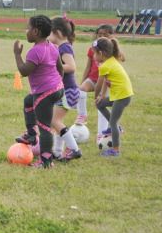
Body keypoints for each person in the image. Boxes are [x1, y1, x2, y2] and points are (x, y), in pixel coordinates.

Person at [14, 15, 64, 168]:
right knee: (28, 101)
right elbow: (60, 69)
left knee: (45, 127)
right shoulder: (52, 47)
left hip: (45, 94)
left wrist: (17, 54)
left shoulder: (35, 51)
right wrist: (57, 84)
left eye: (28, 28)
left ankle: (46, 161)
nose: (26, 31)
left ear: (35, 31)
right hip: (57, 88)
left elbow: (24, 71)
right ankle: (30, 134)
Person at [76, 24, 121, 139]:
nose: (101, 37)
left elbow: (122, 58)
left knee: (101, 107)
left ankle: (101, 134)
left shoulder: (111, 51)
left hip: (105, 84)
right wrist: (82, 81)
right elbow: (88, 67)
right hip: (92, 80)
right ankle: (82, 115)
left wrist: (114, 48)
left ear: (111, 36)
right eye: (99, 34)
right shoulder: (93, 49)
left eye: (105, 35)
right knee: (80, 91)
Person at [48, 17, 82, 161]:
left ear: (58, 33)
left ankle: (74, 149)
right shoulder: (61, 47)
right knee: (56, 122)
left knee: (54, 121)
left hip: (68, 92)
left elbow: (72, 66)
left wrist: (54, 67)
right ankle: (56, 151)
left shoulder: (65, 47)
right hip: (65, 92)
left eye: (50, 33)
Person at [93, 37, 133, 157]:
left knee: (113, 122)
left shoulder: (105, 66)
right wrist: (101, 97)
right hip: (120, 95)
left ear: (101, 53)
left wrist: (96, 96)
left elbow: (98, 85)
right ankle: (115, 128)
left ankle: (115, 150)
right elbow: (106, 81)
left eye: (95, 53)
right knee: (100, 104)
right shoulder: (110, 61)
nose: (93, 56)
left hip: (122, 97)